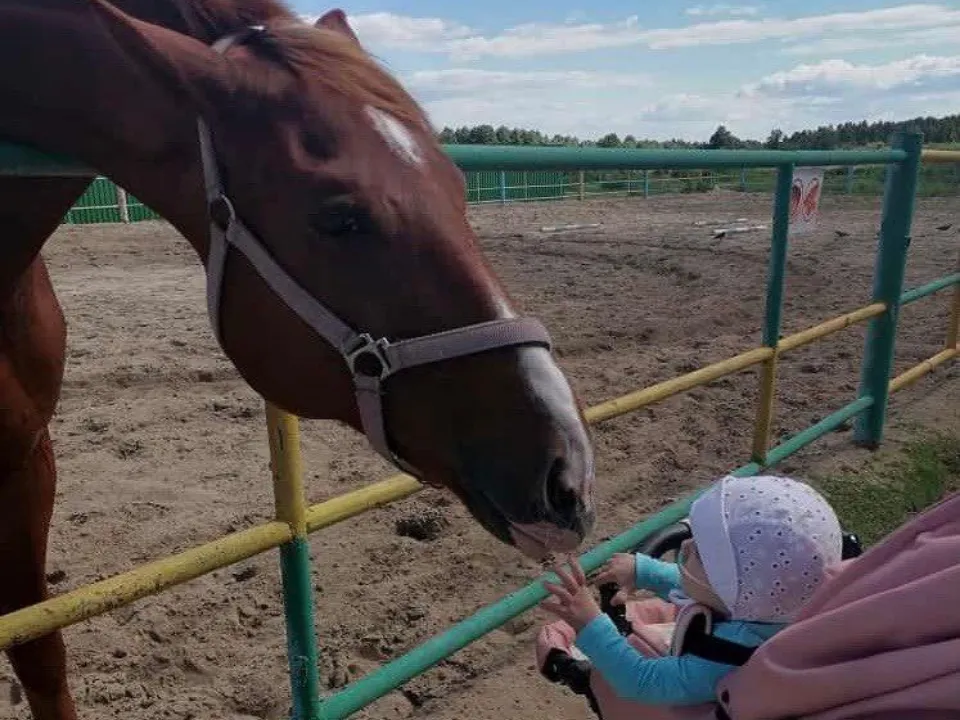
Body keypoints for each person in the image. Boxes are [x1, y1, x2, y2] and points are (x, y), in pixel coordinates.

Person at [539, 474, 844, 708]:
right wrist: (647, 571)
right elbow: (714, 592)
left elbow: (644, 682)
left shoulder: (729, 654)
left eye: (700, 554)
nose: (684, 546)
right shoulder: (773, 609)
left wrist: (591, 625)